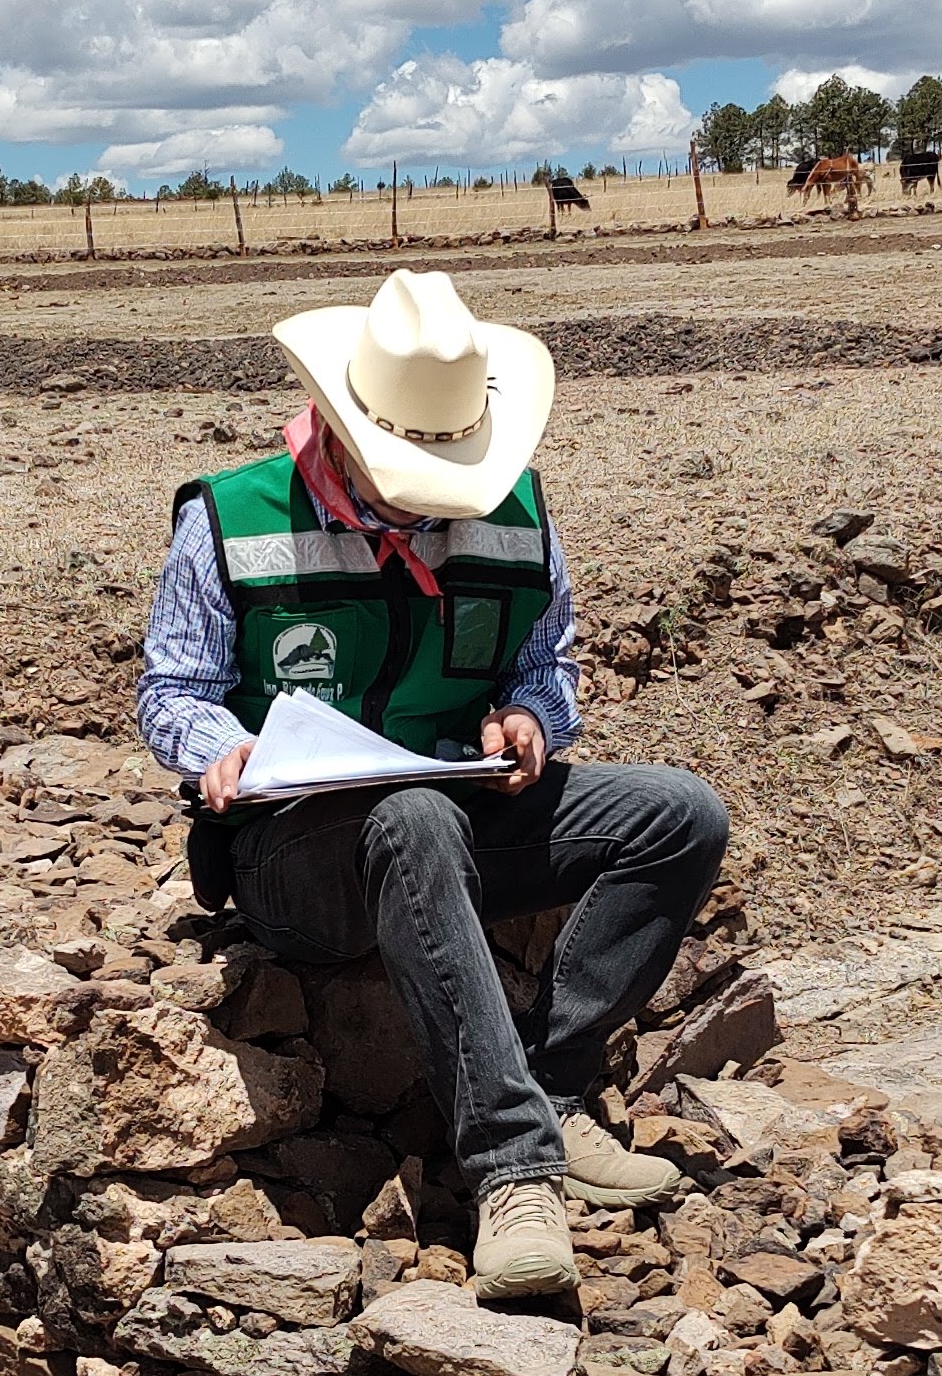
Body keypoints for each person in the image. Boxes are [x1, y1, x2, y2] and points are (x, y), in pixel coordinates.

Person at [136, 267, 730, 1302]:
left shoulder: (519, 511)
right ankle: (514, 1171)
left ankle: (550, 1090)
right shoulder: (229, 517)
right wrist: (217, 745)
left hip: (458, 810)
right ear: (338, 428)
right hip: (295, 854)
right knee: (409, 817)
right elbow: (171, 691)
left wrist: (531, 718)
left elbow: (547, 663)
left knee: (679, 815)